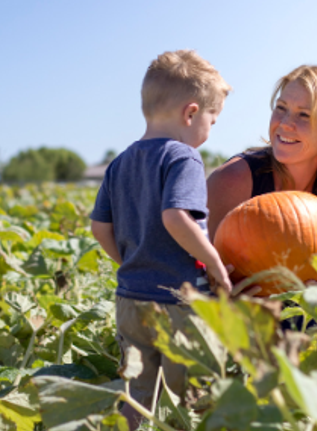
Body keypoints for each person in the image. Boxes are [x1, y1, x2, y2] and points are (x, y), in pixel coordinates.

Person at [90, 49, 232, 429]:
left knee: (137, 392)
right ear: (190, 113)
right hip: (176, 301)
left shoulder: (119, 162)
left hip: (130, 298)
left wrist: (130, 262)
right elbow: (175, 217)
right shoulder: (182, 157)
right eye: (211, 120)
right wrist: (214, 262)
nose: (209, 130)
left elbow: (100, 228)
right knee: (183, 395)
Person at [207, 65, 317, 297]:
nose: (284, 123)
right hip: (245, 317)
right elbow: (195, 274)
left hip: (316, 313)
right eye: (281, 108)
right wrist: (222, 295)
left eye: (304, 115)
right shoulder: (233, 179)